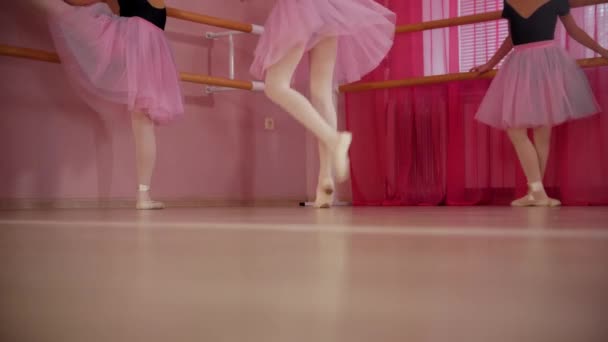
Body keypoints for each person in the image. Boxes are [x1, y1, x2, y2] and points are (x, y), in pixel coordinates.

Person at [250, 0, 396, 208]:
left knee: (275, 86)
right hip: (328, 8)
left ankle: (333, 139)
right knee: (322, 92)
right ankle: (325, 181)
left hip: (298, 7)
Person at [471, 0, 608, 207]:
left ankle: (536, 191)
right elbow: (512, 38)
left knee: (535, 131)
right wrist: (489, 63)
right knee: (527, 131)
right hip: (527, 63)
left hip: (542, 63)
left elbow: (574, 30)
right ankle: (536, 192)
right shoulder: (512, 2)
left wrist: (602, 50)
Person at [49, 0, 184, 209]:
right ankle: (143, 196)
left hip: (128, 43)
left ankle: (143, 196)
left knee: (142, 124)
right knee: (143, 125)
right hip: (140, 47)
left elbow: (80, 1)